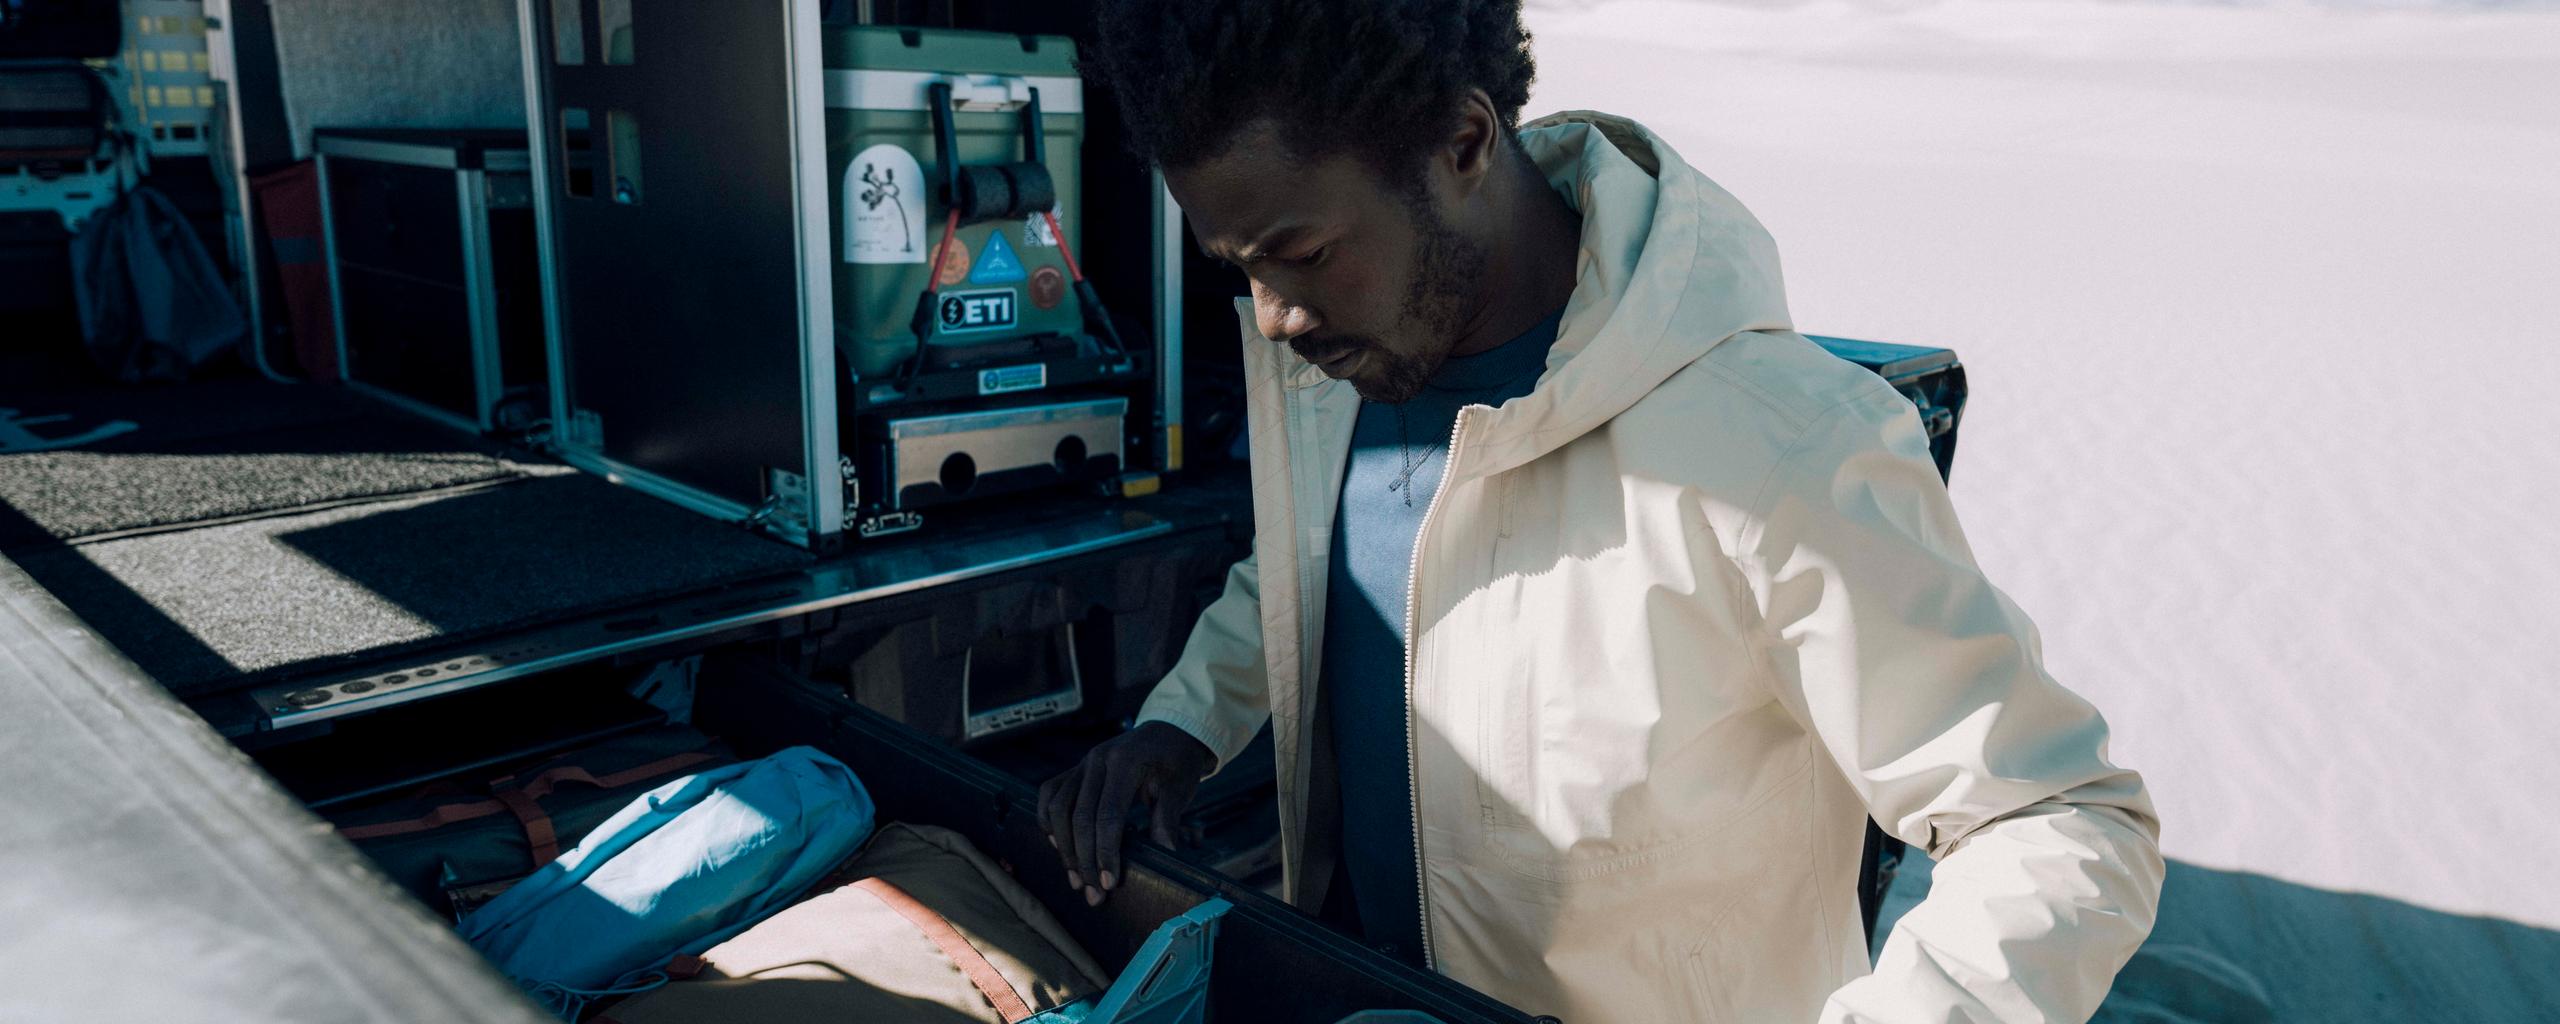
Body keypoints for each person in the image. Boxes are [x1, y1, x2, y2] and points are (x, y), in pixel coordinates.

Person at [1037, 1, 2164, 1019]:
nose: (1273, 318)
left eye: (1298, 254)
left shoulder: (1776, 441)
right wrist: (1180, 725)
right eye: (1238, 269)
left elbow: (2057, 819)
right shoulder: (1353, 358)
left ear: (1462, 143)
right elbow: (1308, 572)